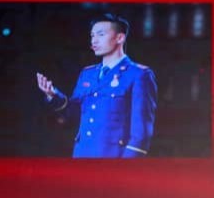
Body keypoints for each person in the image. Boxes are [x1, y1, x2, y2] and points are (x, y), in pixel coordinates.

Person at [35, 13, 157, 158]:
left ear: (120, 38)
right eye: (92, 36)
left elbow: (141, 132)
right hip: (82, 155)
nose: (94, 40)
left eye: (101, 34)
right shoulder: (87, 74)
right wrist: (53, 95)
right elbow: (74, 113)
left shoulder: (139, 74)